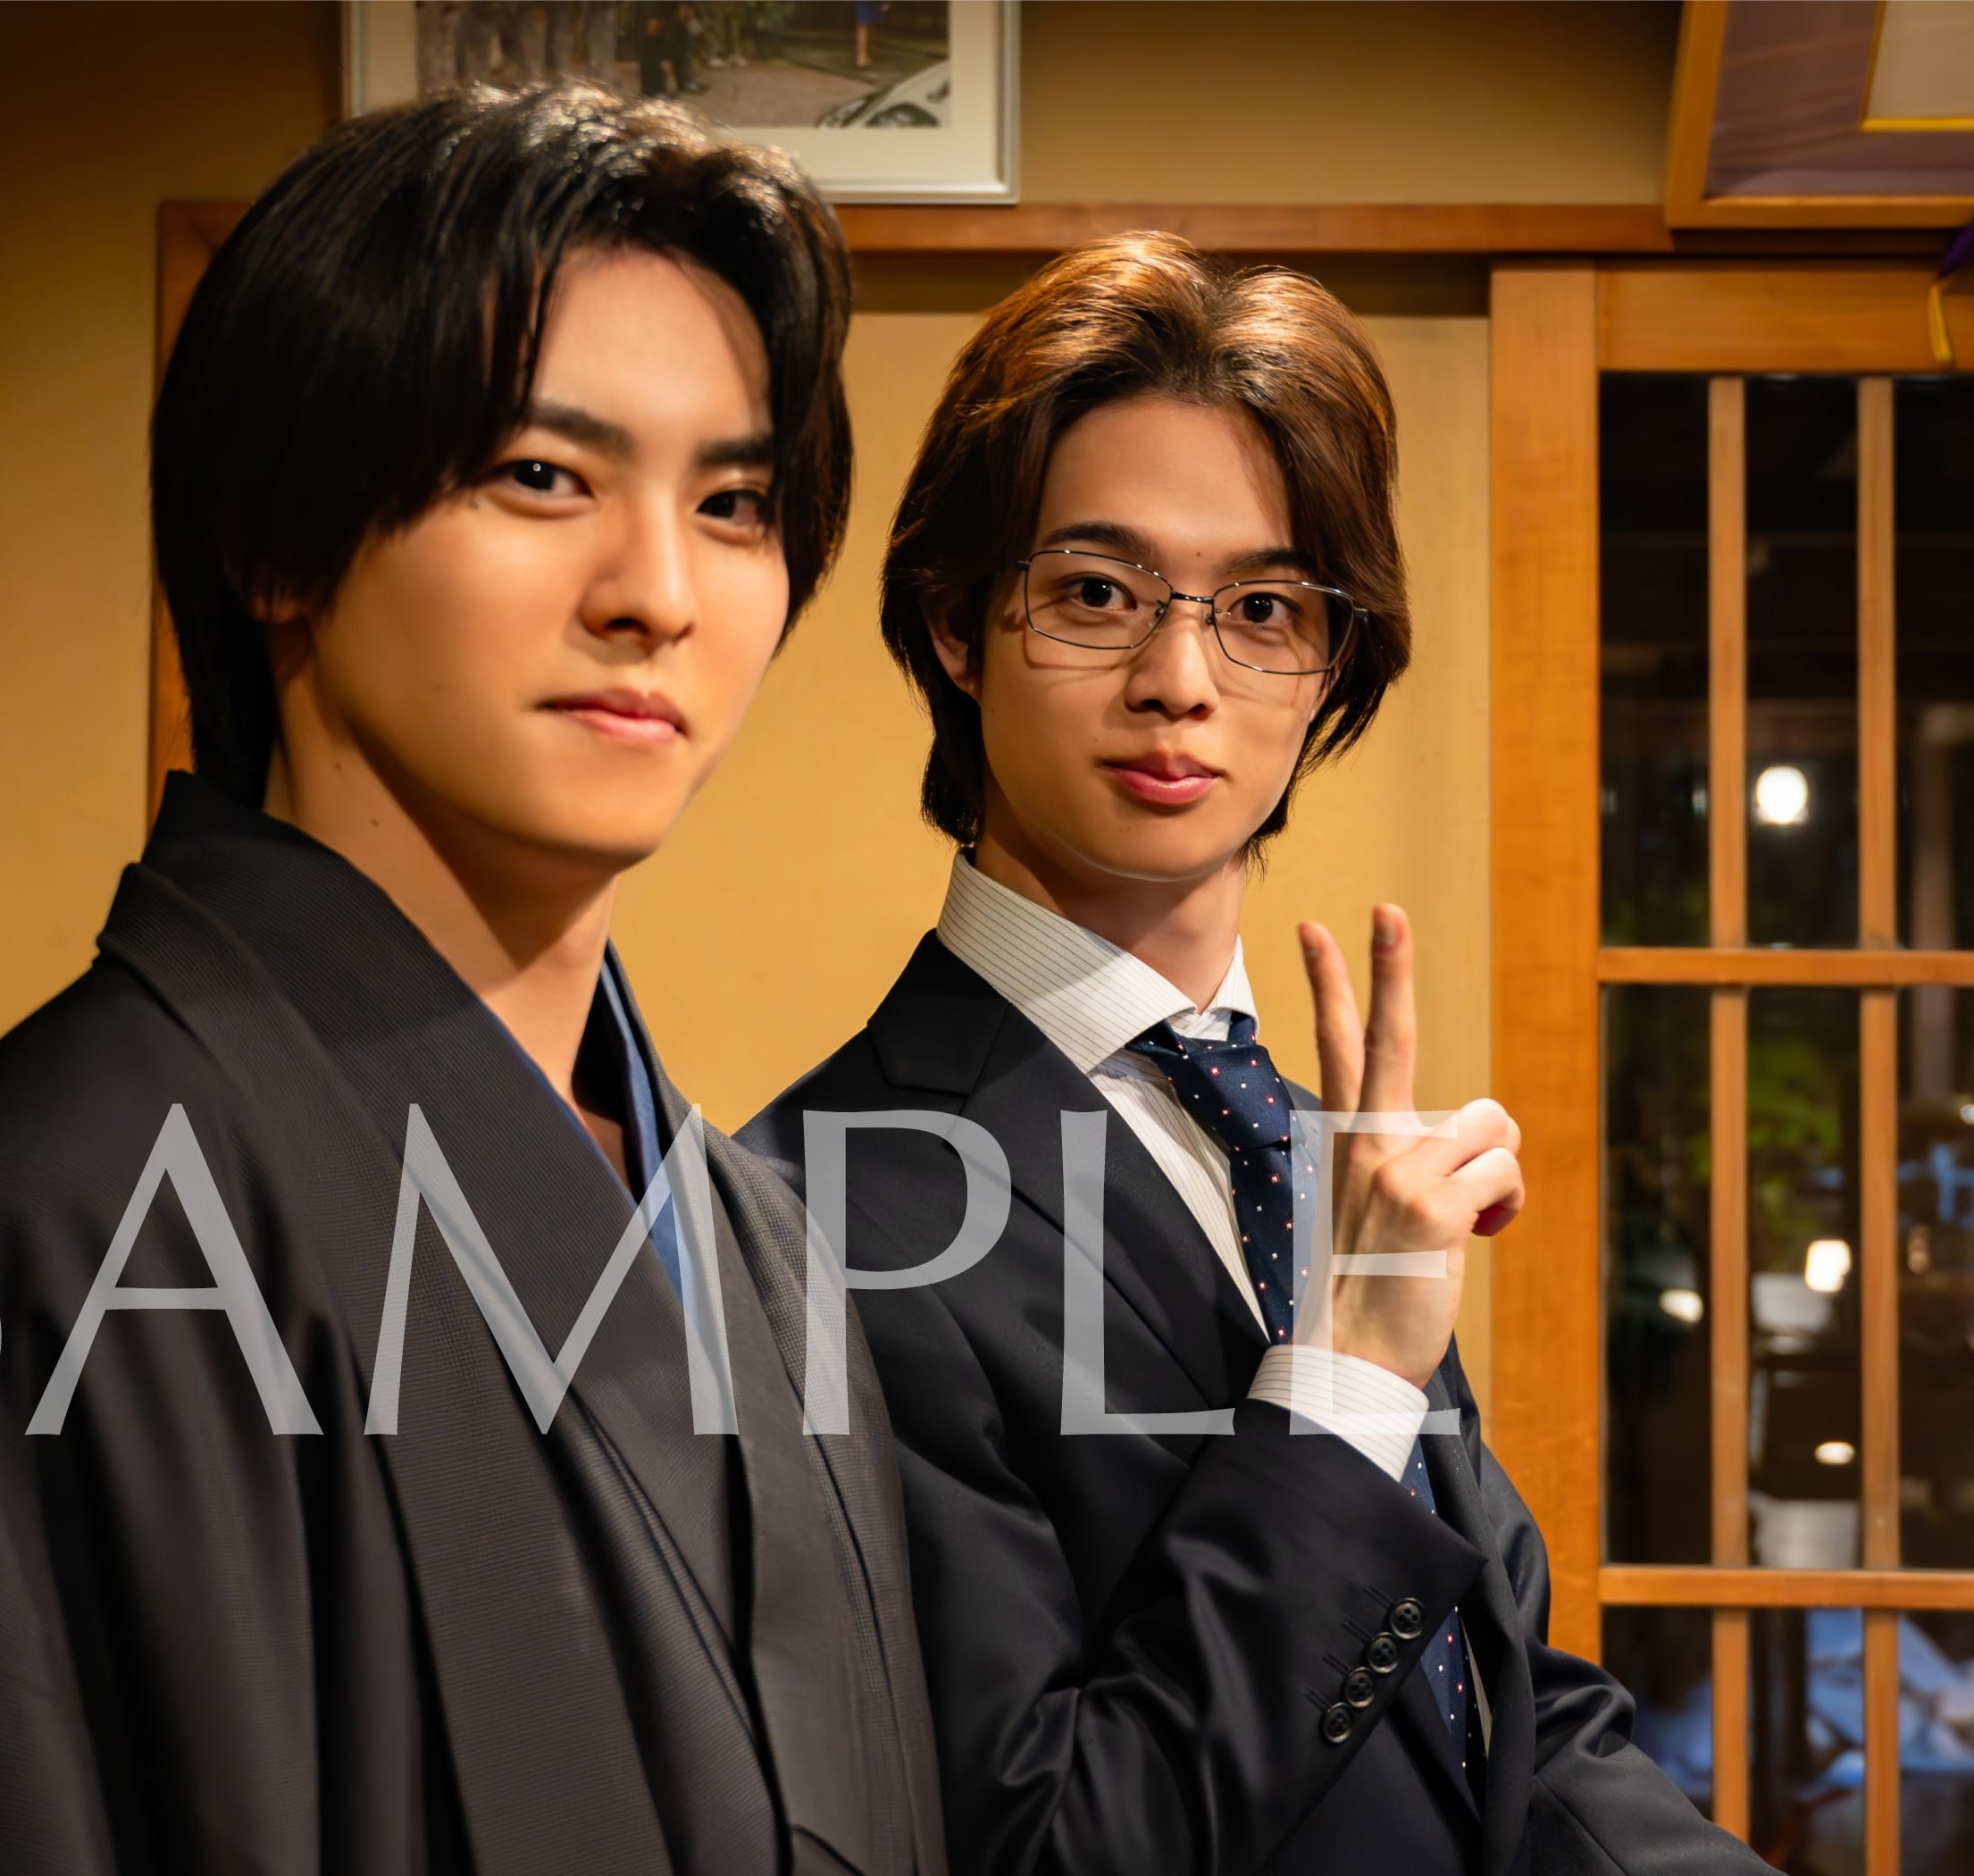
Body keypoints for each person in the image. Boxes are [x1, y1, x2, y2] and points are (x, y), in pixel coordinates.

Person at [0, 84, 945, 1876]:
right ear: (274, 541)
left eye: (734, 505)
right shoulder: (53, 1218)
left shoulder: (759, 1249)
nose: (658, 593)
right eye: (542, 476)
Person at [742, 234, 1765, 1876]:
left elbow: (1501, 1719)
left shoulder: (1313, 1149)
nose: (1180, 682)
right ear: (955, 623)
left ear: (1331, 662)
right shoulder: (810, 1210)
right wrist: (1344, 1384)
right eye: (1097, 594)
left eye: (1264, 610)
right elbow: (1047, 1846)